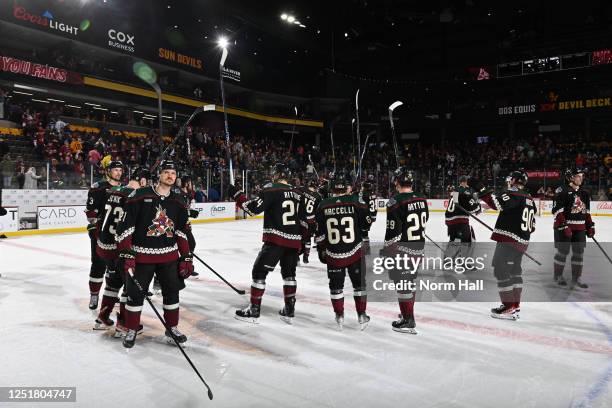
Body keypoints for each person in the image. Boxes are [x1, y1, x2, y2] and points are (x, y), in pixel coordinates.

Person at [115, 160, 193, 348]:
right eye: (166, 172)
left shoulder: (179, 200)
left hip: (168, 257)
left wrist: (186, 257)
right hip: (142, 257)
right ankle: (132, 328)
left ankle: (172, 328)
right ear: (158, 174)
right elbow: (125, 228)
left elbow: (182, 232)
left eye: (173, 173)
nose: (170, 176)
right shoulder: (140, 195)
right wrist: (127, 255)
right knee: (135, 295)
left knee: (172, 294)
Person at [228, 163, 305, 324]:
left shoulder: (271, 189)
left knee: (258, 273)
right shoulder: (299, 193)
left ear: (276, 174)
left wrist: (237, 195)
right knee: (289, 275)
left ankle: (254, 310)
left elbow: (253, 209)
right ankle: (289, 310)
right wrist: (304, 243)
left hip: (276, 240)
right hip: (294, 242)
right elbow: (305, 221)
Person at [470, 170, 537, 320]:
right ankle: (515, 305)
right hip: (522, 241)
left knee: (501, 270)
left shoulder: (513, 193)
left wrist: (480, 188)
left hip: (509, 241)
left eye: (510, 178)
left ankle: (508, 307)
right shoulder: (530, 198)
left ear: (514, 180)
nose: (509, 181)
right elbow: (532, 226)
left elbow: (497, 203)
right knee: (515, 272)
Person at [93, 167, 147, 336]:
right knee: (128, 286)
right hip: (119, 247)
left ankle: (102, 317)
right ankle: (123, 323)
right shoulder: (135, 196)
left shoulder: (115, 191)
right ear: (143, 181)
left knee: (113, 282)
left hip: (104, 245)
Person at [315, 171, 371, 330]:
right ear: (347, 187)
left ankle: (339, 316)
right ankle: (361, 315)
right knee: (359, 285)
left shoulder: (323, 205)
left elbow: (319, 234)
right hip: (355, 252)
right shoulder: (356, 202)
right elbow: (366, 225)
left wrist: (321, 250)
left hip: (333, 254)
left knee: (336, 287)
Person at [383, 167, 429, 334]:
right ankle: (407, 313)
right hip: (418, 248)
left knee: (403, 284)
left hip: (403, 250)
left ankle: (408, 320)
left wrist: (387, 251)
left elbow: (392, 232)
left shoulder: (395, 201)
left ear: (397, 182)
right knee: (409, 282)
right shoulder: (422, 199)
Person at [85, 160, 123, 310]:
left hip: (117, 234)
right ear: (108, 171)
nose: (118, 173)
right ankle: (94, 295)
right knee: (98, 264)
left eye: (120, 170)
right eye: (115, 170)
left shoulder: (124, 189)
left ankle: (111, 294)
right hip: (100, 233)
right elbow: (91, 213)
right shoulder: (98, 188)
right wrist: (95, 230)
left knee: (114, 267)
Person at [552, 168, 593, 288]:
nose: (581, 178)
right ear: (571, 178)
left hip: (579, 228)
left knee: (579, 253)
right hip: (563, 228)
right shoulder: (562, 190)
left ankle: (577, 277)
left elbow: (586, 211)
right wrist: (564, 226)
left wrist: (590, 225)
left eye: (582, 176)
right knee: (562, 252)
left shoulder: (584, 193)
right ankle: (558, 275)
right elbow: (556, 211)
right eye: (578, 176)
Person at [444, 175, 480, 260]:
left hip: (449, 219)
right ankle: (464, 261)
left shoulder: (456, 190)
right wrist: (478, 208)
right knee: (469, 240)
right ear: (466, 182)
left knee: (453, 239)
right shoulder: (467, 191)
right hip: (460, 219)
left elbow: (456, 202)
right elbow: (472, 208)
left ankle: (447, 259)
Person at [299, 175, 322, 264]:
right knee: (308, 239)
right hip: (310, 221)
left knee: (298, 238)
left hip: (300, 218)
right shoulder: (318, 196)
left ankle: (296, 257)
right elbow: (318, 211)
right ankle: (306, 256)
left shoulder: (302, 190)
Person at [359, 174, 378, 254]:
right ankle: (366, 248)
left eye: (363, 187)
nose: (362, 188)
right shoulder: (373, 194)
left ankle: (365, 250)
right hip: (373, 216)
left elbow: (362, 206)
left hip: (367, 216)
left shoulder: (365, 195)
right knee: (364, 232)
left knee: (362, 232)